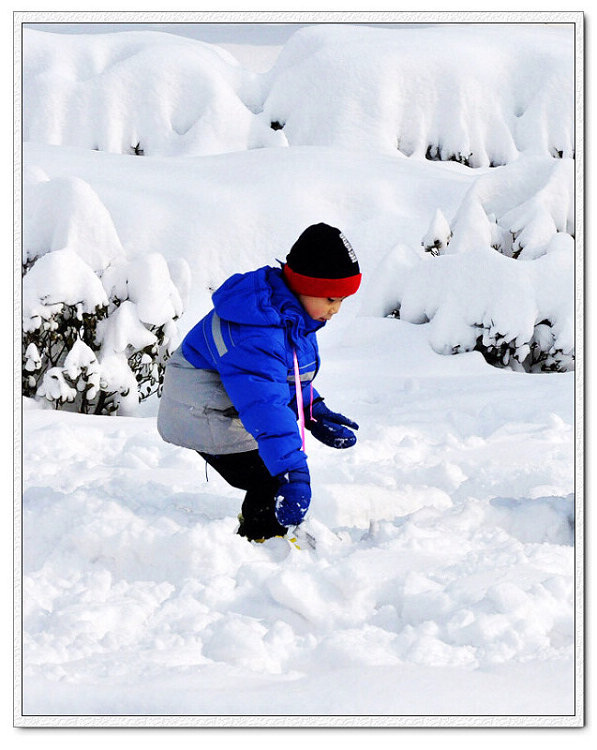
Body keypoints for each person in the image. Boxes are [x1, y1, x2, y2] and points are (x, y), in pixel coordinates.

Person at [157, 222, 361, 542]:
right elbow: (266, 406)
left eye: (342, 301)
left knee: (272, 467)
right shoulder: (257, 333)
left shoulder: (289, 316)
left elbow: (281, 378)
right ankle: (261, 540)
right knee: (272, 476)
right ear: (302, 284)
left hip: (225, 404)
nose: (335, 309)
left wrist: (312, 408)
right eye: (330, 298)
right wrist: (293, 474)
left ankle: (263, 532)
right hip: (198, 412)